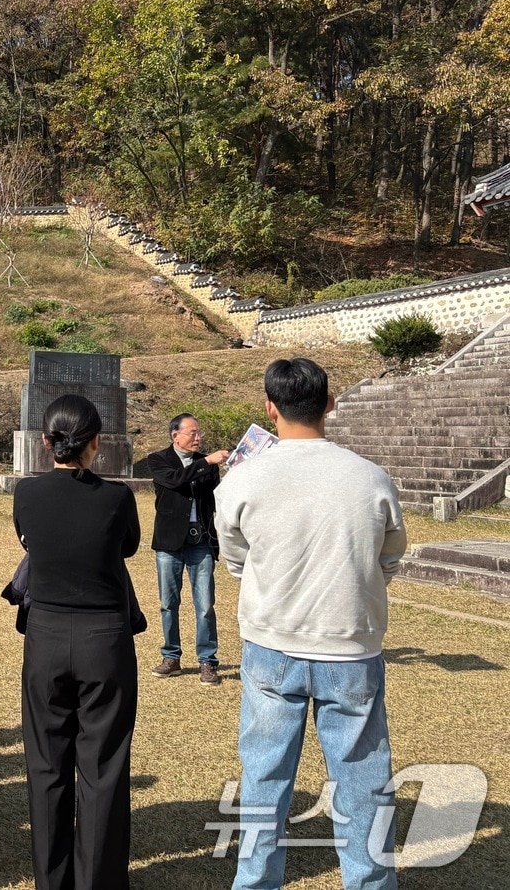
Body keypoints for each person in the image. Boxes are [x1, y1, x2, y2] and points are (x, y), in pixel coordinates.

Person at [215, 358, 407, 890]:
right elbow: (389, 557)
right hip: (351, 645)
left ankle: (255, 881)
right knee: (363, 779)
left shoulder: (244, 477)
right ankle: (369, 882)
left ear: (270, 407)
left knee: (264, 776)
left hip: (272, 643)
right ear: (329, 402)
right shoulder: (371, 477)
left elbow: (234, 556)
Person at [13, 394, 141, 890]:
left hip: (45, 634)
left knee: (46, 765)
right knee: (103, 766)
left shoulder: (26, 493)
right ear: (96, 443)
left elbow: (28, 537)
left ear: (46, 442)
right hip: (104, 639)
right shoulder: (117, 497)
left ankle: (53, 880)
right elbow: (127, 545)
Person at [145, 414, 229, 685]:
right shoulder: (158, 460)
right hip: (169, 543)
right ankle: (172, 656)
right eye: (192, 433)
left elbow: (217, 497)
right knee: (168, 603)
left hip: (201, 541)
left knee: (205, 605)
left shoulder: (208, 463)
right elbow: (175, 481)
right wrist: (206, 462)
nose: (198, 437)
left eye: (199, 433)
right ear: (175, 435)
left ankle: (207, 661)